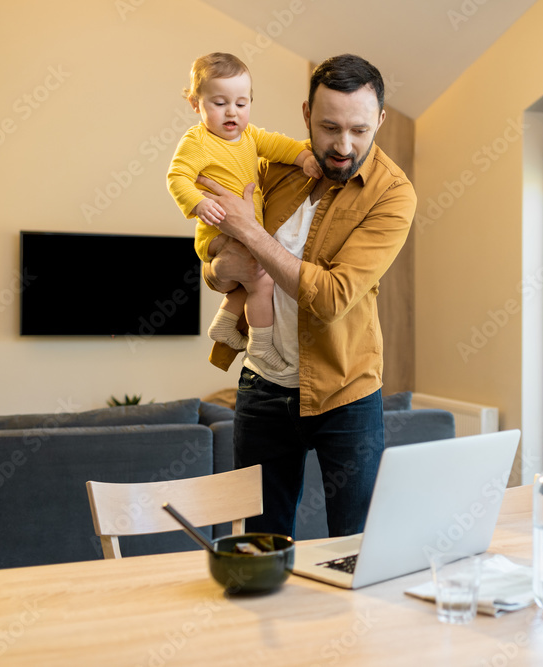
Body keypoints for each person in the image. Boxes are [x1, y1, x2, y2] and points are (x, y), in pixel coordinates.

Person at [198, 54, 416, 538]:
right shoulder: (275, 167)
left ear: (379, 119)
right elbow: (216, 263)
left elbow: (333, 296)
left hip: (347, 391)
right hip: (262, 385)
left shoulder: (393, 194)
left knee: (356, 546)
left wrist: (250, 234)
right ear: (305, 116)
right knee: (258, 543)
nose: (343, 146)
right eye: (329, 127)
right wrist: (219, 266)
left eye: (360, 130)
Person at [167, 52, 322, 371]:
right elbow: (177, 176)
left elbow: (279, 145)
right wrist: (199, 203)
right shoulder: (197, 142)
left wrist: (303, 158)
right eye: (219, 103)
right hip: (217, 233)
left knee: (250, 280)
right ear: (196, 104)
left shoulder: (249, 136)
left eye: (241, 103)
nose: (231, 112)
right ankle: (261, 345)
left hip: (239, 231)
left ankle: (224, 325)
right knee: (264, 281)